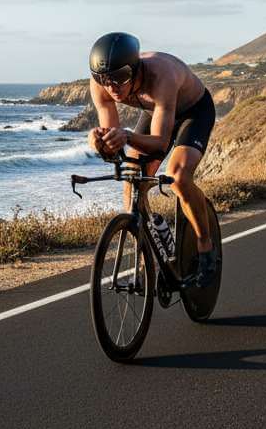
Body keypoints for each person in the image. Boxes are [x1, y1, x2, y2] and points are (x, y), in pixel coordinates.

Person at [87, 32, 219, 288]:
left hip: (193, 112)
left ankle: (206, 246)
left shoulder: (161, 75)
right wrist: (100, 142)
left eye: (120, 77)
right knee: (131, 177)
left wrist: (125, 135)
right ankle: (149, 256)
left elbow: (159, 142)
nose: (112, 86)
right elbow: (114, 150)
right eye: (104, 79)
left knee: (179, 178)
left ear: (136, 70)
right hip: (157, 111)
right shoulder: (101, 84)